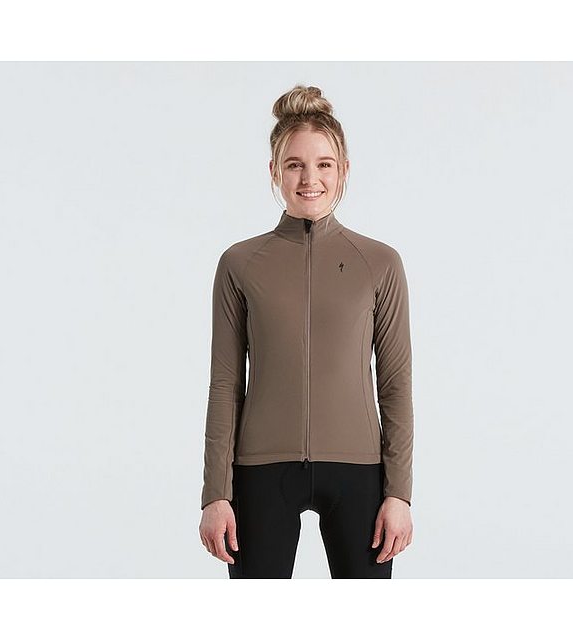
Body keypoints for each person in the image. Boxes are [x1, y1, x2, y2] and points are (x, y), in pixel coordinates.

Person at [197, 84, 414, 578]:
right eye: (294, 164)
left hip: (359, 472)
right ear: (274, 171)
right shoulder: (240, 263)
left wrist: (399, 493)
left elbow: (395, 385)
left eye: (324, 164)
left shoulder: (379, 263)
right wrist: (215, 493)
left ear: (344, 170)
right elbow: (225, 384)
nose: (310, 178)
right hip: (260, 471)